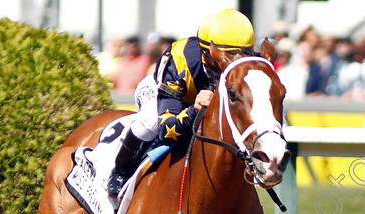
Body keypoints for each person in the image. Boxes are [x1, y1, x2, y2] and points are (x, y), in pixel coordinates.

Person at [106, 8, 255, 198]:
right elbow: (167, 130)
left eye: (242, 54)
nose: (234, 62)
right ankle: (120, 171)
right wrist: (194, 109)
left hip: (200, 97)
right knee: (150, 122)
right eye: (227, 55)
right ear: (207, 52)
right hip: (164, 92)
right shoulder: (181, 59)